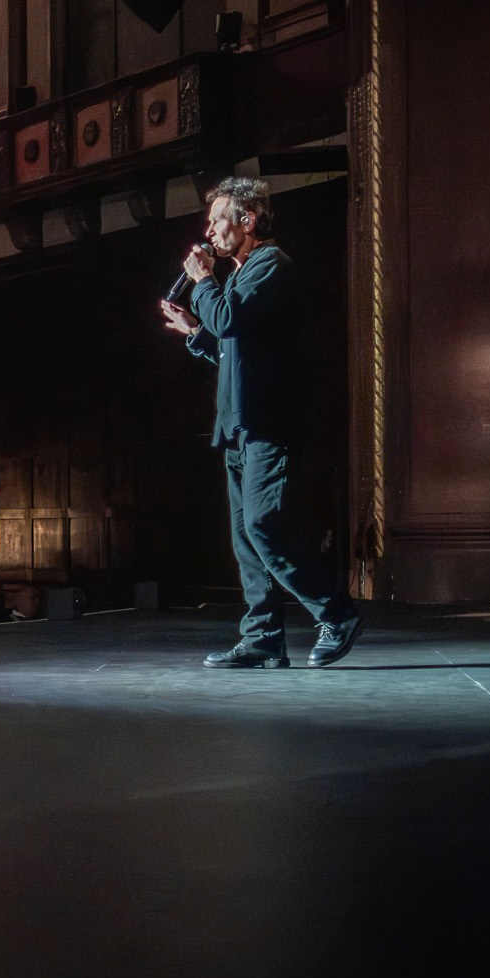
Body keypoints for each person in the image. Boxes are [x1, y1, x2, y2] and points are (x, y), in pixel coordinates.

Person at [159, 176, 364, 668]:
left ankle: (335, 613)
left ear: (247, 220)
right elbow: (235, 350)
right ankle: (263, 638)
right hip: (239, 428)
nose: (209, 229)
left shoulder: (270, 265)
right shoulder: (240, 275)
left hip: (270, 425)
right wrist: (194, 330)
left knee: (264, 523)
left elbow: (228, 320)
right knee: (244, 537)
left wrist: (204, 282)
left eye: (218, 219)